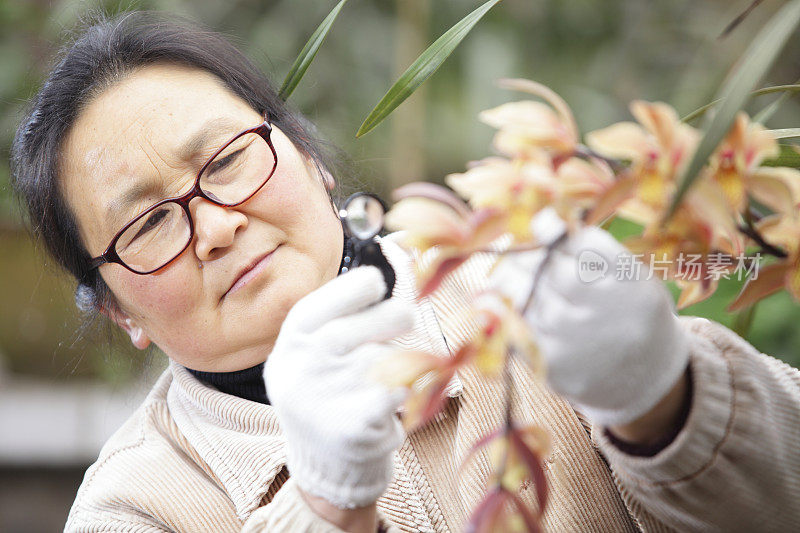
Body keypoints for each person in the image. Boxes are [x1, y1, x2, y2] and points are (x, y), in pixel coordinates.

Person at [10, 11, 799, 533]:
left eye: (225, 160)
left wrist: (667, 398)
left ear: (308, 155)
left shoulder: (533, 291)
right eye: (147, 223)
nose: (214, 226)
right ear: (120, 312)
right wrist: (322, 504)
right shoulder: (133, 505)